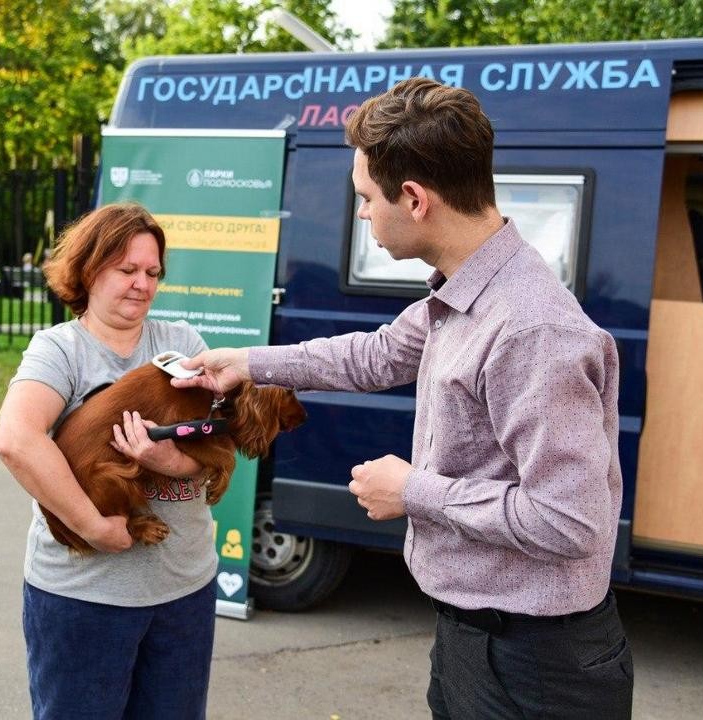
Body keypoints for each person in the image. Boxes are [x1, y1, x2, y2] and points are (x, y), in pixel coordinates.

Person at [173, 78, 633, 719]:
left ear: (414, 198)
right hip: (479, 640)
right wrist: (247, 364)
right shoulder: (469, 290)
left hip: (535, 667)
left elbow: (570, 521)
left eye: (365, 197)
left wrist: (413, 490)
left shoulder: (532, 330)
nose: (362, 213)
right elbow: (379, 353)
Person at [0, 203, 217, 719]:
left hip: (184, 590)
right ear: (91, 269)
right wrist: (94, 526)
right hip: (85, 598)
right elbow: (16, 438)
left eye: (153, 273)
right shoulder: (60, 351)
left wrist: (170, 461)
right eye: (127, 269)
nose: (142, 284)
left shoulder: (182, 343)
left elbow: (214, 452)